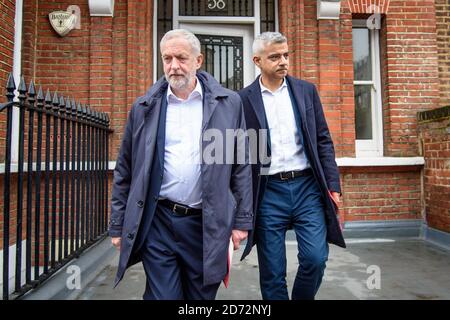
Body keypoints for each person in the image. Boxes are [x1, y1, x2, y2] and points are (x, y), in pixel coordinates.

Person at [108, 29, 253, 300]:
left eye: (181, 58)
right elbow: (125, 169)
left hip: (206, 224)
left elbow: (241, 165)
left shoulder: (228, 104)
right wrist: (117, 224)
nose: (174, 66)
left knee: (200, 298)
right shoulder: (144, 107)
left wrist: (241, 221)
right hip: (158, 222)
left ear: (198, 61)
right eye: (167, 58)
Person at [238, 32, 346, 300]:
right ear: (257, 60)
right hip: (267, 191)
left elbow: (323, 140)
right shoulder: (242, 100)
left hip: (307, 187)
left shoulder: (306, 91)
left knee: (315, 258)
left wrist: (333, 185)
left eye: (286, 55)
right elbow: (237, 154)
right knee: (273, 273)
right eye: (275, 57)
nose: (283, 61)